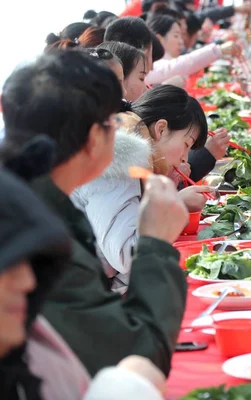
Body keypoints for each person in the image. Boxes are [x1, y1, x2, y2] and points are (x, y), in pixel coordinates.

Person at [1, 50, 188, 377]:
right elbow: (138, 357)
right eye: (112, 121)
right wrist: (155, 242)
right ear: (94, 138)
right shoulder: (40, 239)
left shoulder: (35, 198)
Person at [0, 164, 167, 400]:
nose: (27, 281)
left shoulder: (38, 345)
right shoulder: (118, 174)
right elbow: (125, 254)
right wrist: (157, 239)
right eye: (8, 263)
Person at [71, 84, 209, 288]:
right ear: (161, 128)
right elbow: (127, 255)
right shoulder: (120, 158)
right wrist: (170, 205)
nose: (184, 158)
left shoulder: (123, 145)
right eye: (186, 145)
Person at [145, 14, 242, 85]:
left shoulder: (166, 61)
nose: (181, 41)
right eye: (176, 36)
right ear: (159, 38)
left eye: (181, 35)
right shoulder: (154, 65)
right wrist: (218, 50)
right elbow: (185, 63)